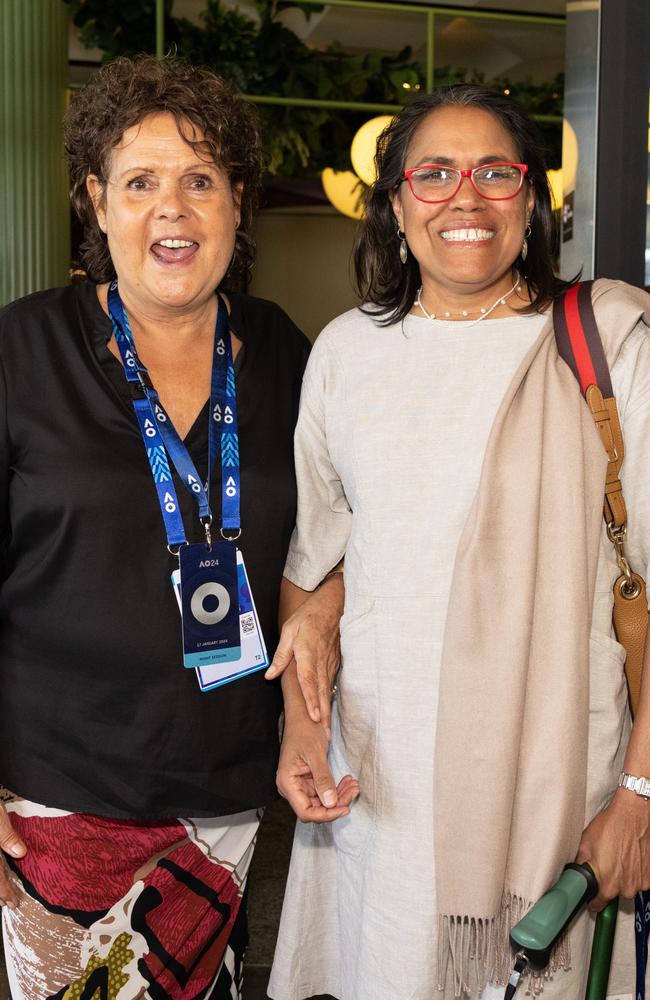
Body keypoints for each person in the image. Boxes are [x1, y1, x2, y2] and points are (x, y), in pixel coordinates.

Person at [268, 84, 650, 999]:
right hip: (378, 801)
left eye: (494, 172)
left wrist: (640, 798)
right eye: (433, 174)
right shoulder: (347, 352)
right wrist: (302, 731)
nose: (464, 197)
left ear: (533, 199)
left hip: (555, 795)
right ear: (396, 204)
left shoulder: (609, 341)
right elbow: (317, 562)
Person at [0, 54, 341, 1000]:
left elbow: (343, 536)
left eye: (200, 181)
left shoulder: (292, 357)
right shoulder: (19, 352)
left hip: (226, 798)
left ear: (237, 202)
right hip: (54, 800)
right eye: (140, 182)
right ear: (96, 203)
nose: (172, 209)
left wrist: (320, 611)